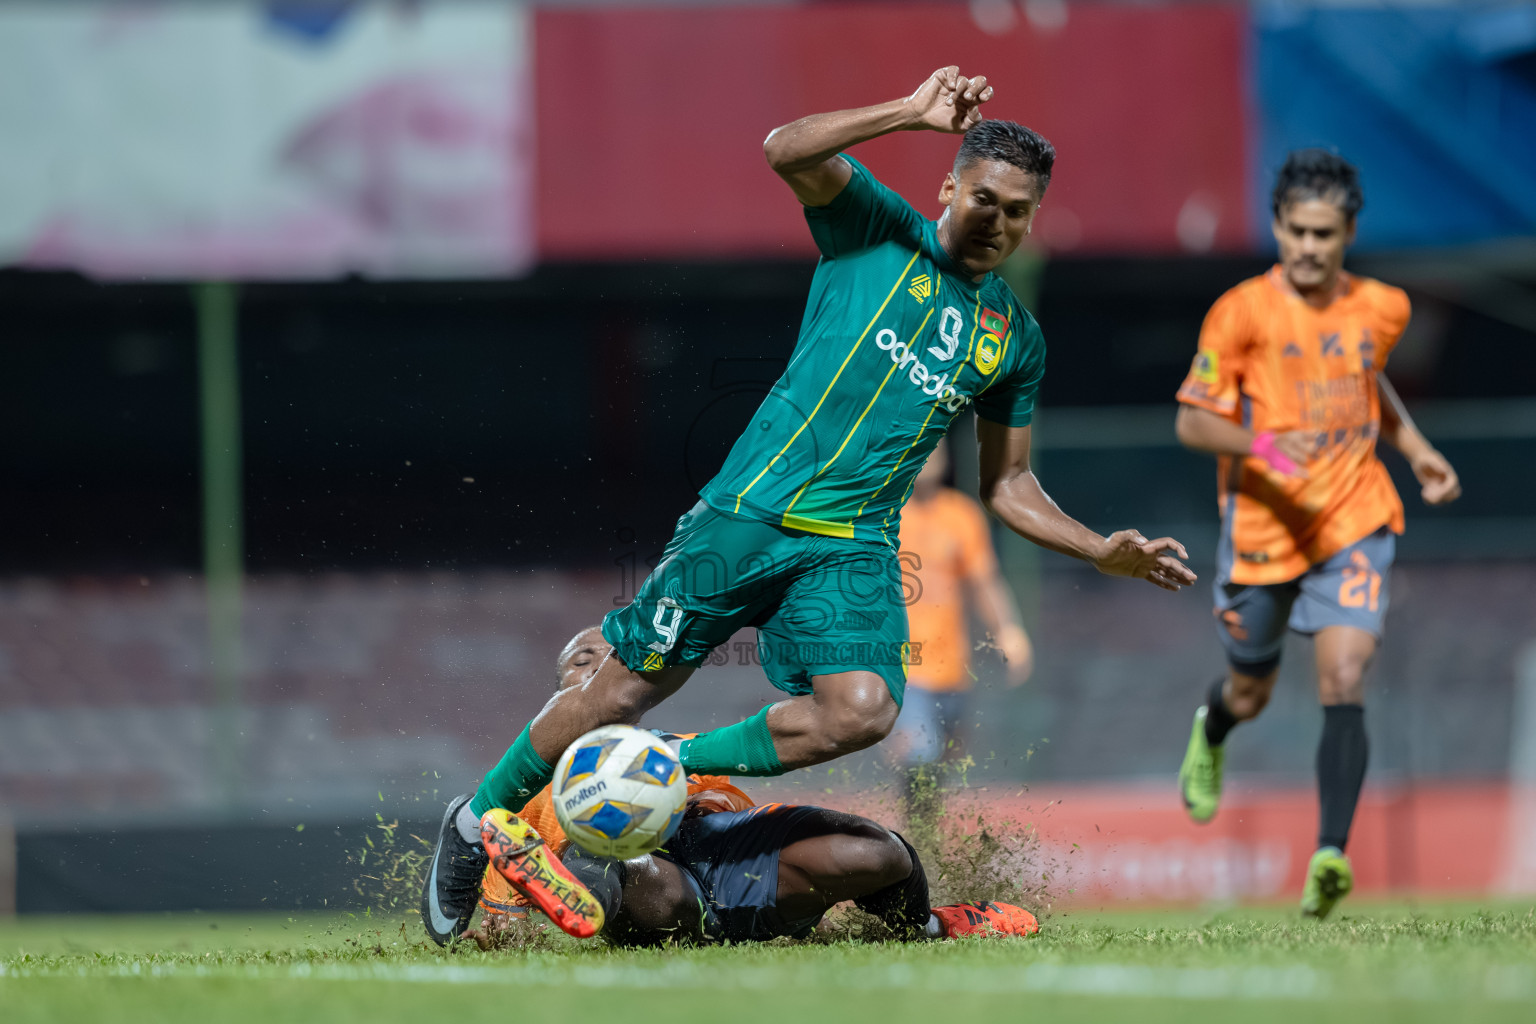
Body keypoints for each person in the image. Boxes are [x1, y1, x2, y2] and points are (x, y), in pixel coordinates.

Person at [423, 66, 1196, 945]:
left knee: (863, 709)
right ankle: (476, 822)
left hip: (855, 545)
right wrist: (907, 112)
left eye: (1021, 212)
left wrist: (1100, 551)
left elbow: (1008, 485)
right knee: (623, 687)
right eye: (986, 199)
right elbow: (782, 148)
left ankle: (657, 767)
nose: (1001, 223)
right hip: (749, 512)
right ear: (949, 186)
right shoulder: (875, 229)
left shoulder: (1015, 338)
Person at [1173, 149, 1462, 919]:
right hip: (1263, 531)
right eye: (1295, 230)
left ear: (1348, 233)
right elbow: (1193, 419)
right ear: (1276, 226)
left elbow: (1370, 380)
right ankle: (1215, 725)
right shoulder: (1241, 311)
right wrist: (1265, 446)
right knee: (1251, 690)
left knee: (1344, 679)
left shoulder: (1383, 307)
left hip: (1354, 520)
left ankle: (1330, 854)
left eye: (1323, 233)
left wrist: (1417, 449)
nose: (1306, 246)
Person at [471, 627, 1040, 947]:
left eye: (612, 658)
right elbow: (500, 928)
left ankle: (929, 924)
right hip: (662, 895)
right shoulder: (529, 790)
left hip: (732, 856)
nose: (598, 667)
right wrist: (500, 927)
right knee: (628, 861)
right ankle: (586, 886)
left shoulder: (684, 746)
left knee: (878, 852)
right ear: (559, 698)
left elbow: (752, 789)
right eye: (581, 660)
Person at [889, 440, 1031, 777]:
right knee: (920, 755)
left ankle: (925, 828)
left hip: (954, 668)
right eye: (921, 445)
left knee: (945, 759)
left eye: (937, 446)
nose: (930, 455)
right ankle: (915, 830)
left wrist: (1008, 630)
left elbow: (984, 582)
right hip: (905, 667)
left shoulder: (961, 515)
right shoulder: (885, 517)